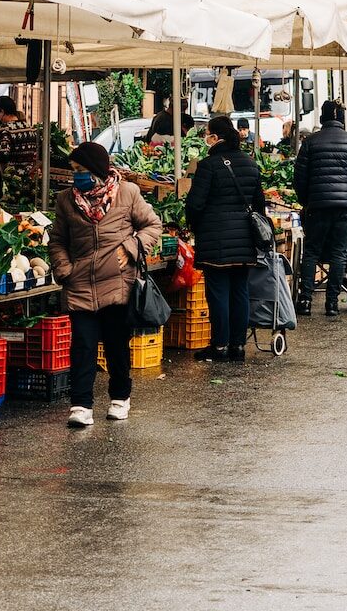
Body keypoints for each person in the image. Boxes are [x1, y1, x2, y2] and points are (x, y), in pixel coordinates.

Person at [48, 142, 162, 428]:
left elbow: (152, 226)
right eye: (74, 171)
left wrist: (131, 247)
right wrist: (65, 269)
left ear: (97, 170)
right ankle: (81, 405)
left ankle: (120, 398)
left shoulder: (127, 193)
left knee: (116, 346)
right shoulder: (66, 200)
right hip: (80, 283)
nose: (77, 176)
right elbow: (58, 240)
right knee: (83, 346)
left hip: (117, 284)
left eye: (81, 170)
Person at [185, 117, 267, 362]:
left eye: (207, 133)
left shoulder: (209, 165)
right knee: (240, 291)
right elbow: (260, 205)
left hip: (216, 240)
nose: (205, 137)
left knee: (218, 293)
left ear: (216, 137)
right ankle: (238, 346)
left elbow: (195, 204)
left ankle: (219, 345)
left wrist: (196, 227)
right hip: (244, 240)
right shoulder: (251, 164)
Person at [292, 100, 347, 317]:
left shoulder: (310, 143)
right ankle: (332, 302)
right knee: (340, 253)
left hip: (316, 205)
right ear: (342, 119)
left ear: (322, 118)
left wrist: (305, 199)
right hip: (345, 207)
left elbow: (299, 177)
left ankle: (306, 300)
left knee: (311, 252)